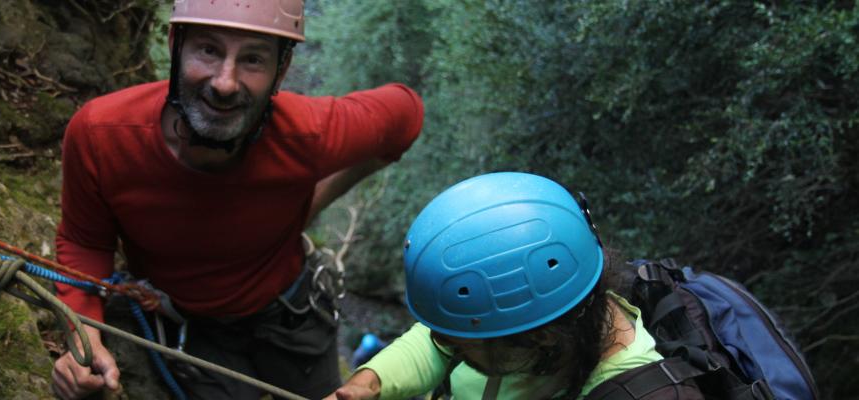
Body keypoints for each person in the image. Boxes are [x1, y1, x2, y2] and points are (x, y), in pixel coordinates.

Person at [49, 1, 425, 399]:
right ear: (177, 45)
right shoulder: (103, 136)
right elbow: (85, 241)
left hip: (291, 318)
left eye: (253, 60)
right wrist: (84, 338)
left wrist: (314, 199)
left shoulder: (307, 136)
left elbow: (405, 115)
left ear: (280, 72)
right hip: (195, 330)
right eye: (208, 50)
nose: (225, 82)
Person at [326, 172, 703, 400]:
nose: (443, 344)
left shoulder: (638, 392)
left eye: (458, 344)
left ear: (542, 339)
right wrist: (371, 383)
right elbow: (436, 343)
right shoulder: (528, 325)